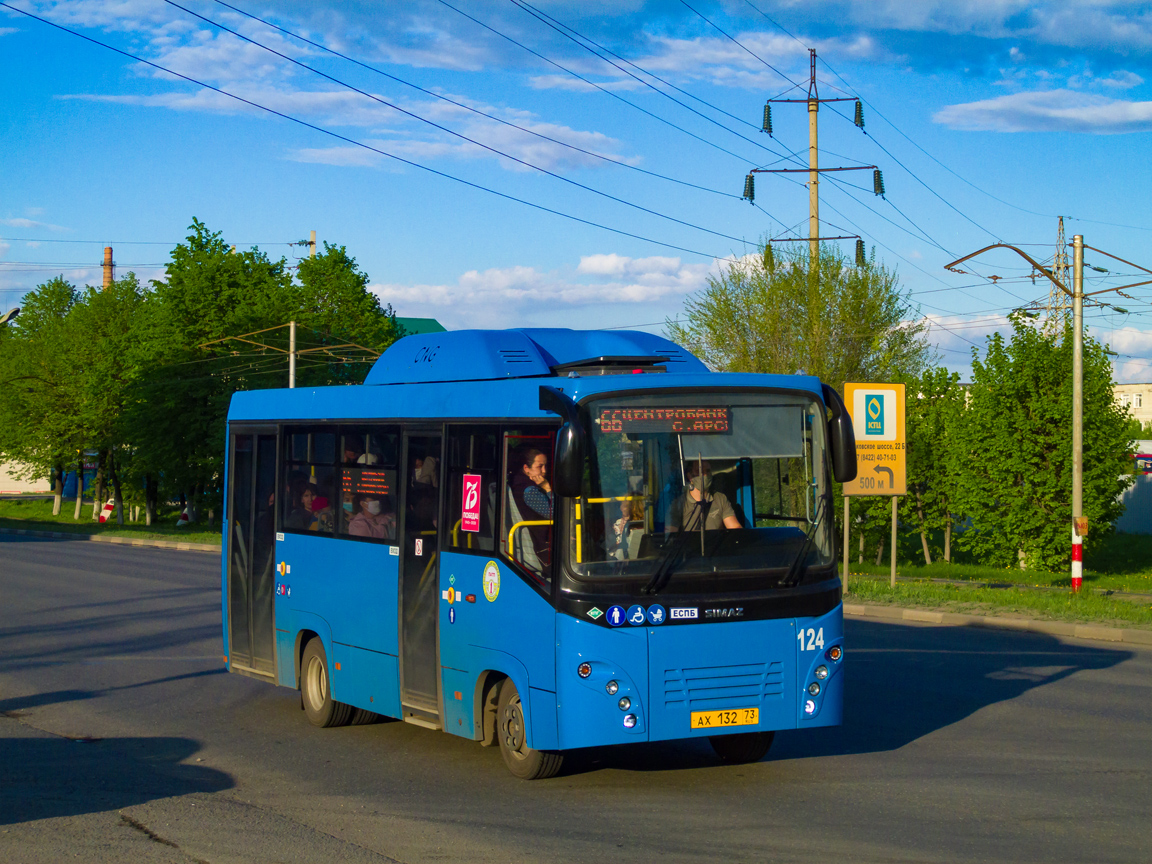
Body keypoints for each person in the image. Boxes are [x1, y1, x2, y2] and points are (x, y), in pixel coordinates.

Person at [509, 447, 553, 570]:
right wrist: (548, 489)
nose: (544, 471)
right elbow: (553, 514)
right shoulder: (530, 491)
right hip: (542, 546)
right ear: (526, 469)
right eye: (539, 466)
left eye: (545, 466)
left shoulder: (517, 483)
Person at [668, 460, 741, 532]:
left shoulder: (720, 499)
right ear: (689, 476)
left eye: (708, 471)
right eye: (699, 471)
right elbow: (671, 537)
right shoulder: (678, 504)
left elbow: (735, 529)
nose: (705, 475)